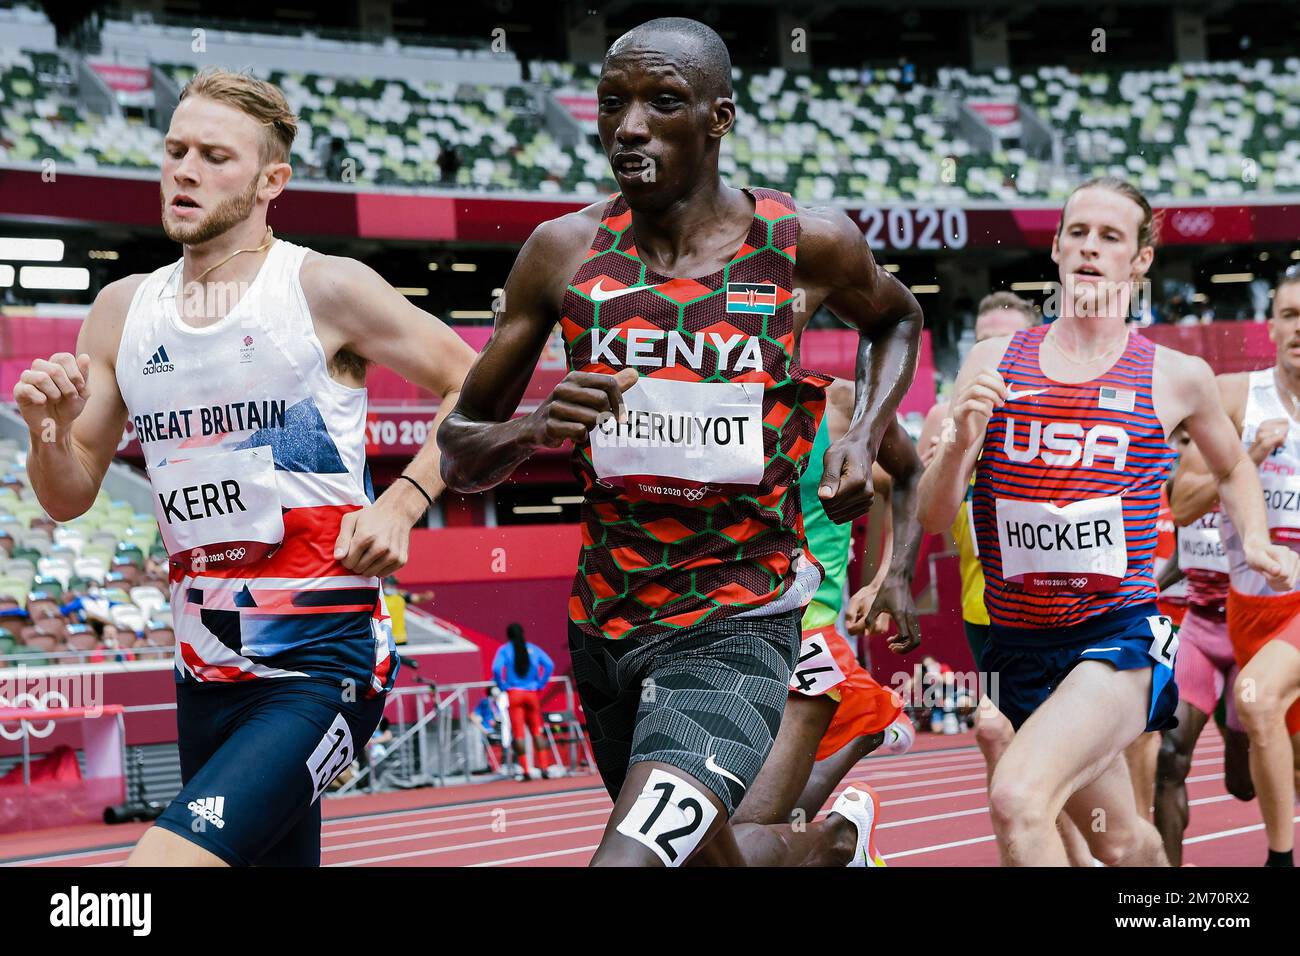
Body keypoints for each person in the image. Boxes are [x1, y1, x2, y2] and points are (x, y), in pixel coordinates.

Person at [438, 17, 921, 867]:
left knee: (628, 862)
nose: (629, 127)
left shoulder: (802, 244)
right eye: (612, 104)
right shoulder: (564, 253)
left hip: (739, 619)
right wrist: (535, 428)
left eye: (662, 103)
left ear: (718, 118)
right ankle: (833, 844)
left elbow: (899, 319)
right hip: (607, 622)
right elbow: (460, 449)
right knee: (704, 860)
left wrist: (865, 438)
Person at [15, 68, 475, 867]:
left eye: (214, 156)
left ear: (272, 180)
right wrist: (47, 434)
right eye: (175, 150)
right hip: (203, 673)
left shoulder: (322, 288)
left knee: (159, 870)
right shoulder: (123, 311)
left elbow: (474, 381)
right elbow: (68, 496)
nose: (185, 170)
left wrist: (404, 501)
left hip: (321, 666)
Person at [917, 176, 1299, 867]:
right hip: (1017, 644)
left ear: (1141, 259)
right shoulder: (991, 362)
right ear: (1058, 247)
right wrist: (957, 441)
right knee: (1121, 842)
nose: (1091, 248)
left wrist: (1259, 538)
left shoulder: (1176, 376)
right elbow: (937, 514)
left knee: (1018, 797)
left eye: (1111, 236)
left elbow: (1234, 467)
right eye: (1079, 232)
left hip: (1117, 638)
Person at [919, 292, 1098, 866]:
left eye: (1005, 343)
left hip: (1076, 615)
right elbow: (925, 513)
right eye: (981, 342)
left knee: (1054, 763)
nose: (991, 356)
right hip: (987, 615)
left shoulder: (1070, 410)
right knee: (1008, 747)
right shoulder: (949, 415)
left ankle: (1110, 856)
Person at [726, 379, 923, 867]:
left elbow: (907, 475)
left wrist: (887, 577)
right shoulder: (706, 378)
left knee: (732, 833)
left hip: (804, 623)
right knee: (739, 829)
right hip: (716, 628)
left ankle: (868, 725)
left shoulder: (837, 400)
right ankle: (841, 834)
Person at [1169, 266, 1300, 867]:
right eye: (1291, 315)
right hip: (1247, 609)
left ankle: (1277, 862)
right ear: (1270, 326)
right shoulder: (1234, 397)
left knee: (1253, 696)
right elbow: (1181, 503)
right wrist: (1247, 457)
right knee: (1283, 762)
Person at [1155, 432, 1256, 865]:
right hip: (1198, 628)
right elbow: (1183, 555)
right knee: (1170, 756)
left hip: (1248, 631)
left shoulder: (1255, 477)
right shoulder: (1179, 483)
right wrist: (1144, 589)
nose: (1180, 443)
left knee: (1243, 783)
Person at [492, 623, 557, 780]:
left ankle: (526, 770)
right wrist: (540, 684)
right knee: (537, 731)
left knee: (519, 733)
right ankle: (544, 767)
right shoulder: (533, 649)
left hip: (514, 693)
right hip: (532, 693)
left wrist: (503, 686)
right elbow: (549, 664)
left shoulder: (504, 650)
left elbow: (496, 669)